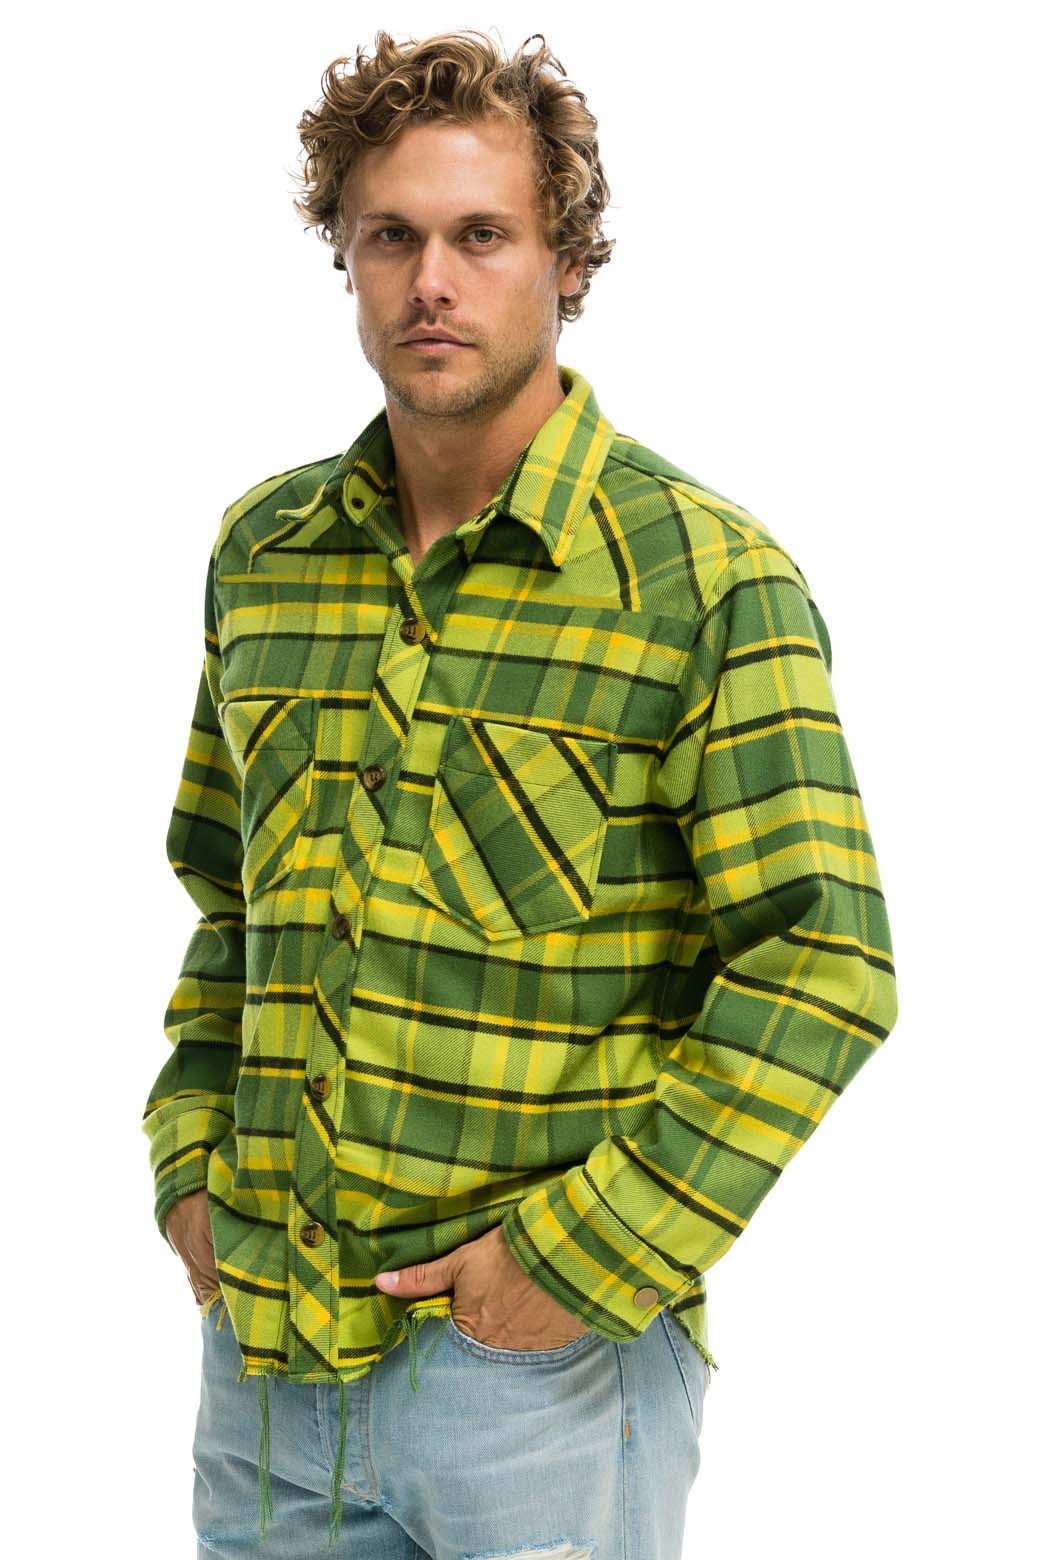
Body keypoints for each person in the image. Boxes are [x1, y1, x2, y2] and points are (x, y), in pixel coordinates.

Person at [142, 27, 898, 1560]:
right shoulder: (265, 557)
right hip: (264, 1363)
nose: (433, 280)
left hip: (538, 1386)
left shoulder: (703, 579)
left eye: (481, 236)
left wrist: (577, 1261)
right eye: (391, 237)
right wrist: (188, 1169)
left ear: (567, 263)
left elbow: (824, 963)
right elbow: (230, 899)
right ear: (346, 259)